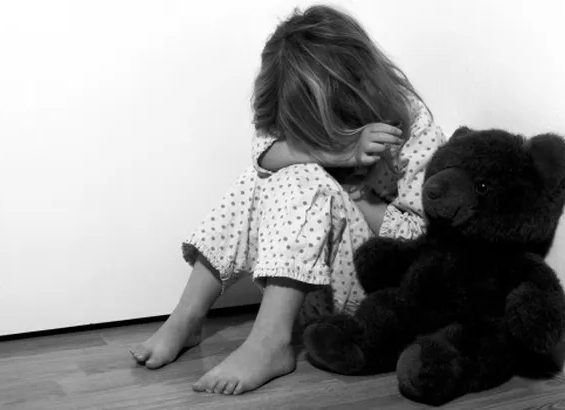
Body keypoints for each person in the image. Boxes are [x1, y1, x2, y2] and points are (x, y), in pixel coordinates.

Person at [130, 4, 447, 396]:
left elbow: (420, 241)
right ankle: (187, 316)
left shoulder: (412, 125)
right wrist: (341, 154)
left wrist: (361, 194)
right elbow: (263, 152)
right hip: (311, 284)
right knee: (259, 178)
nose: (310, 138)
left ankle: (271, 343)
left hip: (370, 294)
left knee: (303, 178)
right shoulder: (301, 124)